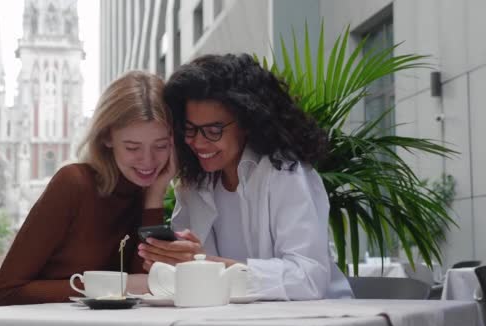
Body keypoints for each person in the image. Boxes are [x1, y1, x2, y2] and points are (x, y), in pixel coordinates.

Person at [138, 54, 353, 300]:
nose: (197, 142)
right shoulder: (194, 185)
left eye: (213, 131)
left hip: (314, 325)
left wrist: (205, 264)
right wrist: (170, 259)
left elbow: (307, 277)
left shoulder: (284, 173)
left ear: (247, 122)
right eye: (189, 129)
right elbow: (182, 276)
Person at [0, 71, 175, 305]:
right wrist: (120, 284)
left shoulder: (147, 192)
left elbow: (149, 285)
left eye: (160, 146)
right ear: (107, 138)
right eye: (132, 148)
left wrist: (155, 195)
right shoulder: (73, 184)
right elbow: (7, 291)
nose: (148, 161)